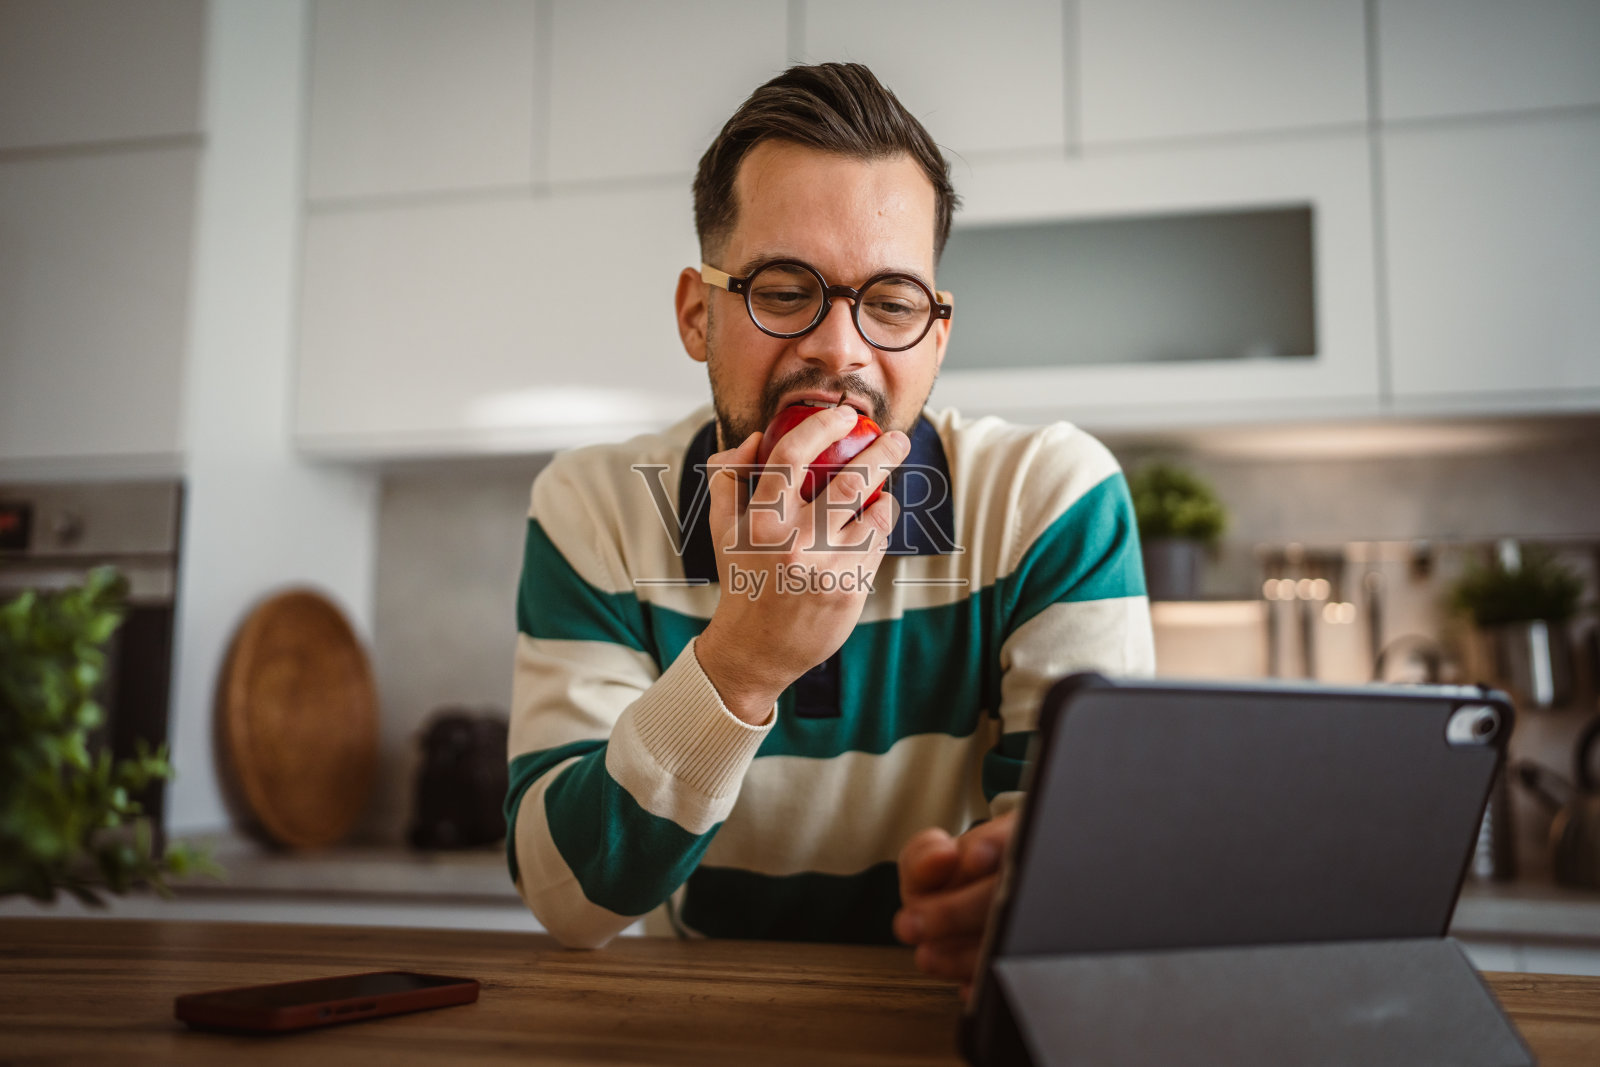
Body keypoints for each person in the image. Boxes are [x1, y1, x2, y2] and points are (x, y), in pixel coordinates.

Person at [505, 62, 1153, 993]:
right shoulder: (596, 508)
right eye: (781, 288)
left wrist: (1037, 883)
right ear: (698, 313)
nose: (840, 348)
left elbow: (1099, 853)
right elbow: (569, 899)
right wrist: (742, 664)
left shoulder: (1050, 500)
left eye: (889, 302)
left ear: (936, 334)